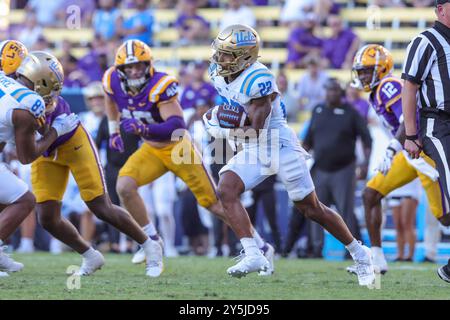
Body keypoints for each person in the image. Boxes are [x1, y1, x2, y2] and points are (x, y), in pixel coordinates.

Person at [204, 24, 375, 285]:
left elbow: (257, 131)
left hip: (277, 143)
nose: (220, 58)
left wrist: (221, 130)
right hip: (254, 145)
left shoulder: (258, 79)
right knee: (226, 189)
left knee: (311, 208)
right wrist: (222, 120)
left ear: (245, 57)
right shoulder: (218, 72)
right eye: (220, 52)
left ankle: (360, 254)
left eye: (227, 54)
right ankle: (254, 253)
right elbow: (237, 114)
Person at [103, 39, 273, 277]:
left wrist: (142, 129)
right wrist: (113, 131)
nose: (134, 71)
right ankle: (152, 240)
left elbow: (177, 126)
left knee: (212, 203)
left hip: (177, 148)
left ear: (149, 65)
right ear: (120, 70)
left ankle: (261, 245)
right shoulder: (112, 79)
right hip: (151, 149)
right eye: (129, 68)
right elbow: (110, 99)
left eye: (139, 66)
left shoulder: (160, 84)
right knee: (124, 186)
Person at [18, 51, 162, 277]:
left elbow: (29, 150)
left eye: (25, 82)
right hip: (46, 151)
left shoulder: (43, 105)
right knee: (47, 217)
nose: (19, 84)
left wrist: (53, 130)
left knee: (100, 206)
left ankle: (150, 245)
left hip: (72, 143)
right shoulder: (16, 93)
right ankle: (90, 255)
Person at [350, 44, 450, 276]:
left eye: (367, 70)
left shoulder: (388, 86)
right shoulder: (377, 91)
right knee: (370, 194)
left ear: (382, 68)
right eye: (361, 71)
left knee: (445, 218)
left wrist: (392, 148)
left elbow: (409, 118)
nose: (363, 76)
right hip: (408, 153)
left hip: (422, 153)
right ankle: (376, 260)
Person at [0, 42, 78, 277]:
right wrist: (57, 130)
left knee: (5, 201)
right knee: (25, 200)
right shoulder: (27, 104)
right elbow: (27, 157)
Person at [401, 0, 450, 283]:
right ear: (441, 8)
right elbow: (410, 85)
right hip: (438, 124)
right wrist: (411, 134)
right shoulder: (425, 41)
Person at [302, 78, 372, 257]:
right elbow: (308, 140)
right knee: (315, 211)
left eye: (334, 90)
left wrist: (365, 164)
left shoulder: (351, 112)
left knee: (345, 211)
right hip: (320, 168)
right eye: (328, 90)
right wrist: (299, 161)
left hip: (344, 169)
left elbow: (367, 139)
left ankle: (352, 251)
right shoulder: (318, 110)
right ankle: (316, 249)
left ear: (340, 93)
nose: (331, 93)